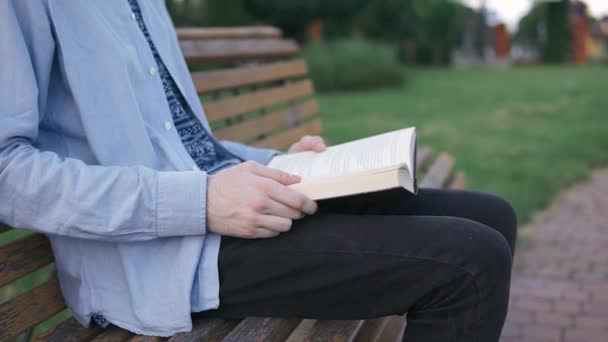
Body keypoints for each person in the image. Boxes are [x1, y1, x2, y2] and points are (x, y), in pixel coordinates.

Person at [0, 1, 516, 341]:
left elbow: (177, 142)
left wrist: (279, 162)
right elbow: (9, 172)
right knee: (471, 265)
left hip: (223, 210)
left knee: (494, 216)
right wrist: (201, 201)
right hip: (162, 253)